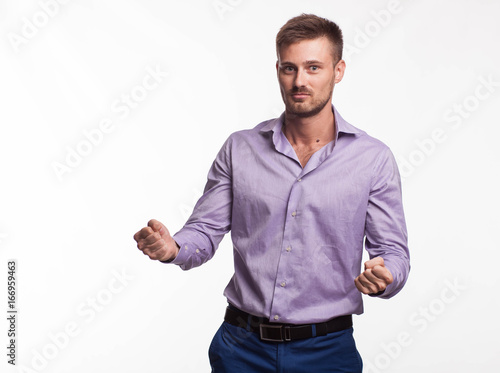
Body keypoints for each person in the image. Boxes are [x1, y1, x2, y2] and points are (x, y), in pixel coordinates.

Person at [133, 13, 410, 373]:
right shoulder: (240, 148)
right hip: (240, 350)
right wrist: (174, 248)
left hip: (327, 351)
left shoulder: (372, 158)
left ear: (338, 71)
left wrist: (386, 275)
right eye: (289, 68)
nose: (300, 81)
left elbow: (393, 252)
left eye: (313, 68)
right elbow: (204, 230)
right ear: (277, 69)